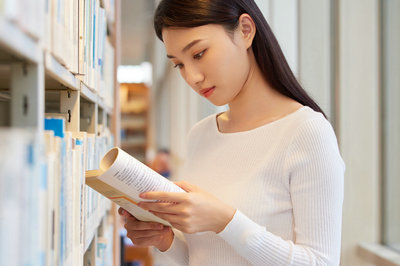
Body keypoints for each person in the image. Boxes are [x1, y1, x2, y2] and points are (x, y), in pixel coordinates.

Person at [119, 0, 345, 265]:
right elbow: (203, 257)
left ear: (245, 30)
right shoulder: (200, 135)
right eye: (178, 64)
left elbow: (320, 262)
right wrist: (164, 241)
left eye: (199, 54)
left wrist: (225, 220)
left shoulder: (306, 132)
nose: (192, 77)